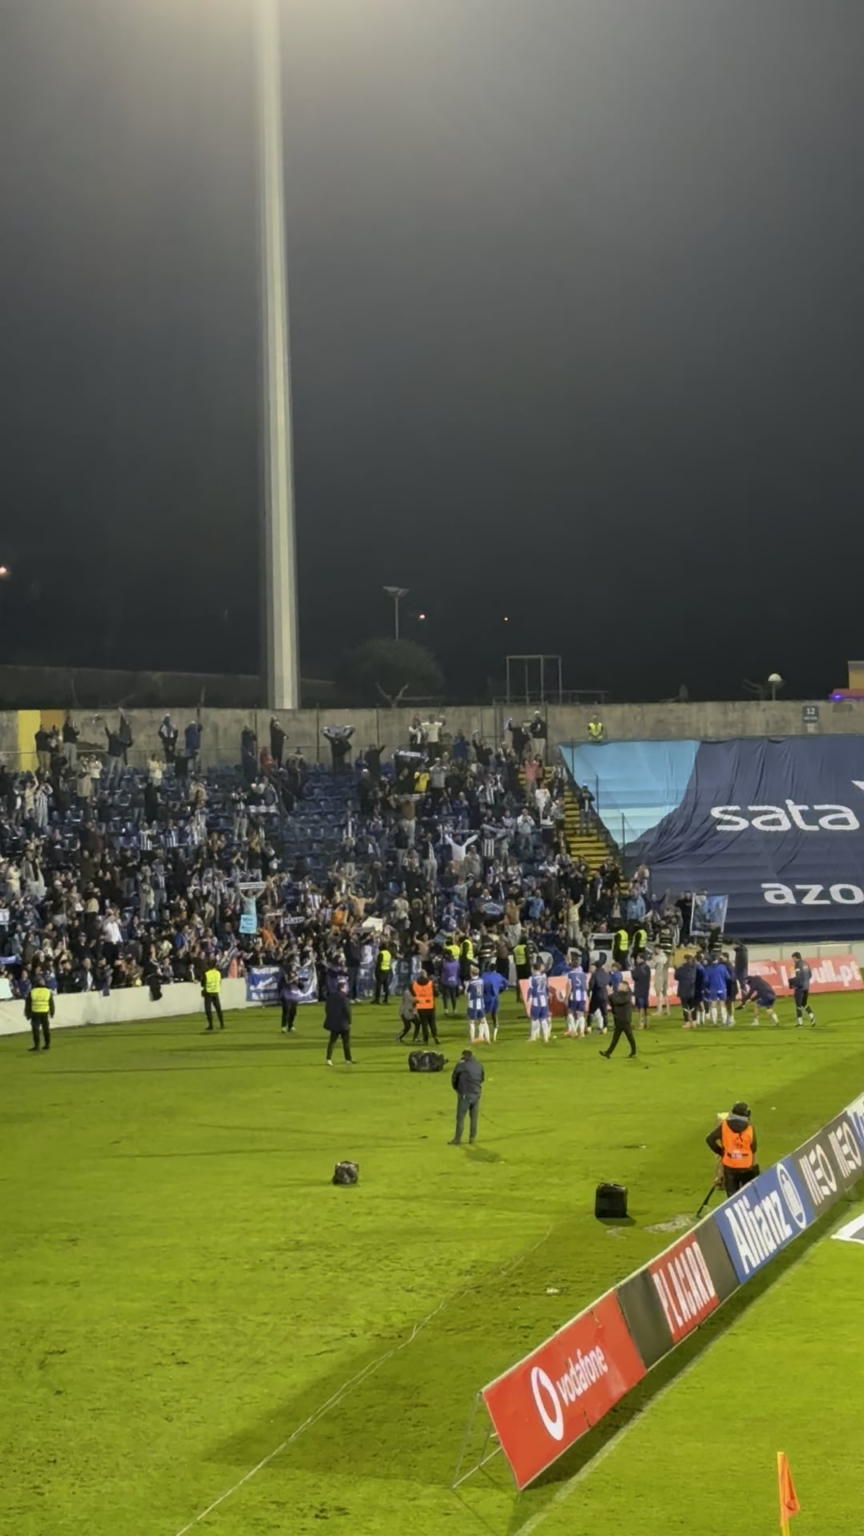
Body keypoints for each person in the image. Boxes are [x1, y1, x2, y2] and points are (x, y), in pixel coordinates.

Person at [706, 1102, 758, 1196]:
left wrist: (721, 1152)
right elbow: (753, 1148)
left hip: (730, 1166)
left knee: (732, 1197)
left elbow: (710, 1139)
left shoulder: (724, 1126)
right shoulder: (750, 1129)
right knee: (748, 1196)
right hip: (746, 1166)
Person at [449, 1049, 484, 1145]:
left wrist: (457, 1089)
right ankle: (472, 1138)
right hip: (476, 1093)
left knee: (460, 1117)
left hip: (465, 1094)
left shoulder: (461, 1065)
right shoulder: (478, 1064)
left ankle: (457, 1138)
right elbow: (482, 1078)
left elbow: (454, 1078)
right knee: (474, 1117)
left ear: (464, 1056)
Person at [600, 981, 637, 1060]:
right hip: (619, 1019)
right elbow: (613, 1001)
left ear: (625, 987)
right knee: (621, 1037)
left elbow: (617, 1001)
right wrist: (609, 995)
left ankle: (609, 1052)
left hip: (624, 1020)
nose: (618, 986)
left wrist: (610, 994)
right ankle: (608, 1053)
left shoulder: (627, 995)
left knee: (627, 1037)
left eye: (621, 985)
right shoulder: (620, 994)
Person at [324, 987, 354, 1065]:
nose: (347, 989)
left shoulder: (331, 997)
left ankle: (328, 1058)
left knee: (332, 1041)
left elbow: (327, 1008)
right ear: (342, 988)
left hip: (334, 1023)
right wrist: (349, 1022)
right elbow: (347, 1011)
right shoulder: (344, 999)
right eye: (345, 987)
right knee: (346, 1042)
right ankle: (348, 1059)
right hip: (343, 1024)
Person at [26, 973, 55, 1052]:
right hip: (45, 1012)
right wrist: (52, 1012)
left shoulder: (32, 991)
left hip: (35, 1012)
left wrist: (28, 1014)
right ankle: (47, 1044)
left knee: (35, 1030)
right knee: (46, 1029)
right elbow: (51, 1003)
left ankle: (37, 1045)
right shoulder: (47, 991)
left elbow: (28, 1004)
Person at [411, 970, 439, 1044]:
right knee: (432, 1023)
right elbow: (436, 994)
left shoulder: (414, 984)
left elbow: (413, 993)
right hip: (430, 1006)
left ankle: (425, 1040)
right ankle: (435, 1036)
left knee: (424, 1024)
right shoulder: (430, 984)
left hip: (421, 1007)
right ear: (425, 975)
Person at [481, 963, 508, 1041]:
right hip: (495, 997)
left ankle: (483, 1034)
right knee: (494, 1015)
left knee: (482, 1016)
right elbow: (506, 983)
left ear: (488, 968)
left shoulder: (484, 976)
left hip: (486, 997)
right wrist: (501, 990)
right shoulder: (498, 976)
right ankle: (494, 1034)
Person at [527, 961, 551, 1043]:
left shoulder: (532, 978)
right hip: (544, 1000)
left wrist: (528, 999)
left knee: (534, 1019)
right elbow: (547, 988)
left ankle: (533, 1037)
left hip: (536, 1000)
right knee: (543, 1019)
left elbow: (530, 989)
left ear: (533, 969)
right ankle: (546, 1037)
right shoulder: (544, 977)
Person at [790, 952, 816, 1026]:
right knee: (804, 1003)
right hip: (806, 986)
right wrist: (805, 981)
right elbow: (810, 974)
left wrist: (795, 983)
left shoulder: (797, 964)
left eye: (793, 958)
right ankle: (812, 1016)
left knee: (798, 1005)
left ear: (795, 957)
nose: (793, 960)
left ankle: (800, 1023)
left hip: (800, 987)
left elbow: (798, 975)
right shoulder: (806, 963)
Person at [565, 956, 588, 1037]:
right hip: (582, 996)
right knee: (580, 1013)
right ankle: (581, 1032)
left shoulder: (570, 974)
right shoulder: (584, 974)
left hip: (574, 996)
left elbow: (569, 986)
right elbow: (587, 986)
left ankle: (573, 1031)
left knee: (570, 1012)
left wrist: (566, 997)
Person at [202, 962, 225, 1030]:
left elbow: (203, 984)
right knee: (218, 1009)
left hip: (208, 993)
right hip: (215, 992)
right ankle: (222, 1024)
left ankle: (211, 1025)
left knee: (208, 1009)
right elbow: (219, 982)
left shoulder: (206, 973)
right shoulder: (218, 973)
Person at [631, 955, 651, 1029]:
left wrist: (632, 971)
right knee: (646, 1006)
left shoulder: (638, 968)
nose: (636, 960)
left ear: (642, 959)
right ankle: (647, 1022)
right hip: (646, 989)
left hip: (639, 989)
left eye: (638, 958)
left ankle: (641, 1023)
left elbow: (635, 977)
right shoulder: (647, 967)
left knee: (640, 1007)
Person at [652, 947, 670, 1017]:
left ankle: (659, 1010)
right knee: (665, 993)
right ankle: (667, 1010)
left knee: (658, 994)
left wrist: (653, 957)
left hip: (659, 977)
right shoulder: (665, 957)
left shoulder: (658, 957)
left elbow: (653, 965)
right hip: (665, 976)